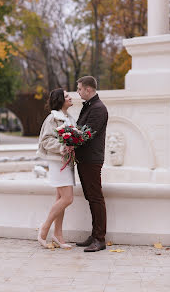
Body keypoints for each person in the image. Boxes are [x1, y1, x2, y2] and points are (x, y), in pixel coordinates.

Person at [36, 88, 76, 249]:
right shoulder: (52, 118)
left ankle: (58, 235)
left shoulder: (69, 118)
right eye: (67, 96)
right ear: (61, 100)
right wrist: (62, 147)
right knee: (68, 199)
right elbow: (45, 140)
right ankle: (44, 228)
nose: (70, 97)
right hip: (58, 162)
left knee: (61, 199)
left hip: (68, 162)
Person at [75, 76, 108, 252]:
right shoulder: (89, 106)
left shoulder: (98, 108)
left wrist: (70, 140)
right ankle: (95, 234)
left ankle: (100, 239)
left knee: (95, 197)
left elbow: (86, 134)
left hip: (92, 159)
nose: (78, 92)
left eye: (80, 89)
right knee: (91, 197)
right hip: (85, 158)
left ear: (88, 89)